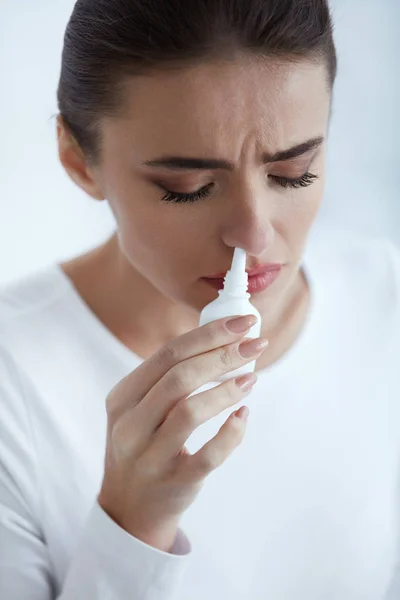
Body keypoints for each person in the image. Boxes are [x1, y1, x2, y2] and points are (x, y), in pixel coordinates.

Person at [0, 0, 399, 598]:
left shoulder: (385, 299)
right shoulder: (14, 380)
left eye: (294, 173)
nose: (253, 234)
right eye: (186, 189)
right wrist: (134, 522)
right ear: (79, 161)